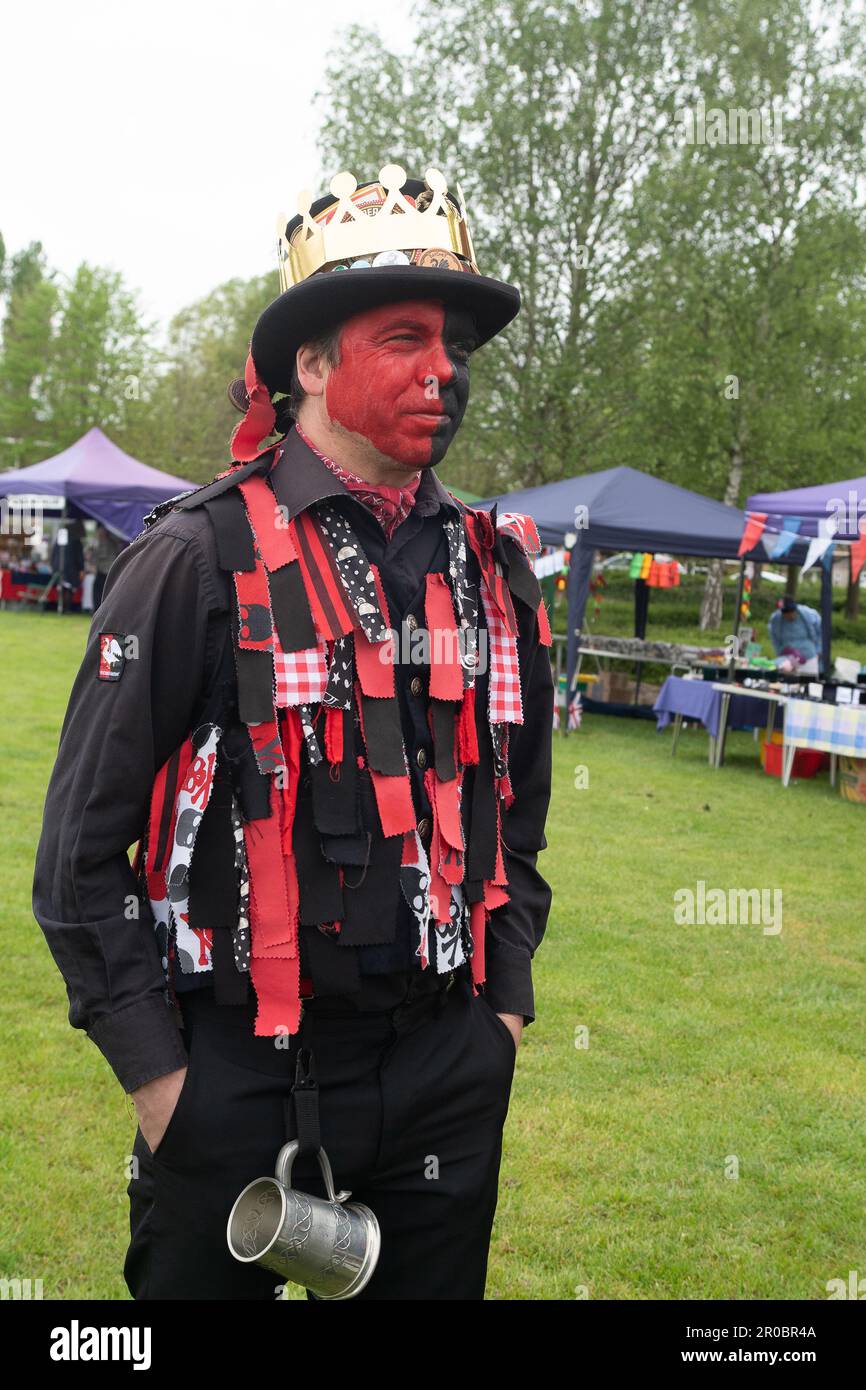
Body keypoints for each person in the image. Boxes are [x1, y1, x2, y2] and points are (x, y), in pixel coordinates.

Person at [33, 164, 554, 1301]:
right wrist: (166, 1086)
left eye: (454, 348)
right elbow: (77, 858)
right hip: (230, 1075)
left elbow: (516, 819)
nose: (442, 371)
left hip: (442, 1069)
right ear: (309, 367)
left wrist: (498, 1019)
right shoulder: (192, 560)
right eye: (404, 338)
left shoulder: (487, 568)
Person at [768, 594, 822, 674]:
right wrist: (779, 653)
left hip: (808, 656)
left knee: (809, 682)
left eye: (791, 612)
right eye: (785, 613)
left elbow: (820, 631)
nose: (789, 615)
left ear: (795, 609)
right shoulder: (776, 619)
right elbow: (774, 638)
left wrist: (819, 650)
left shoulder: (808, 614)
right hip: (787, 658)